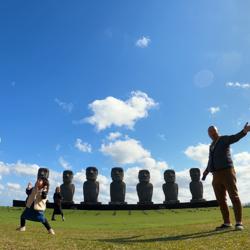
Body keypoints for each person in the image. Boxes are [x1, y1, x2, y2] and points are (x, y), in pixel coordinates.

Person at [202, 123, 250, 231]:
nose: (211, 133)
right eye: (209, 132)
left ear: (218, 131)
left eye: (213, 131)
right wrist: (206, 171)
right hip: (216, 175)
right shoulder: (211, 146)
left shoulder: (224, 139)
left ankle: (239, 223)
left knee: (234, 196)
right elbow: (211, 160)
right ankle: (227, 223)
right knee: (221, 200)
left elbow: (235, 138)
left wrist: (244, 131)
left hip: (227, 172)